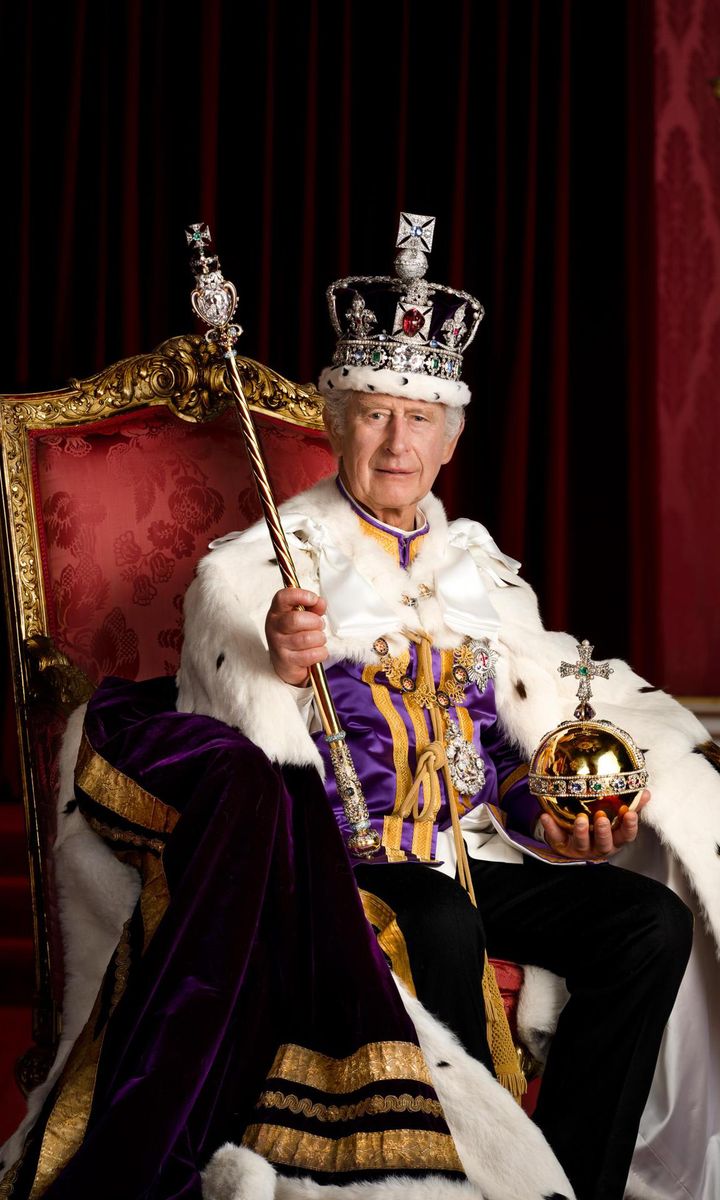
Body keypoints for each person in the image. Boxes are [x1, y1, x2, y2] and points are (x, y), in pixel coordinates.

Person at [1, 215, 717, 1200]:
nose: (396, 440)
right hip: (331, 869)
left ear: (450, 436)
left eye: (419, 418)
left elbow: (494, 762)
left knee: (645, 924)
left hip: (457, 861)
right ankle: (463, 1182)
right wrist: (281, 658)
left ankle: (571, 1185)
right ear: (335, 424)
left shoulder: (481, 579)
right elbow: (227, 730)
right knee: (438, 920)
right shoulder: (263, 570)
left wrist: (550, 818)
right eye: (374, 413)